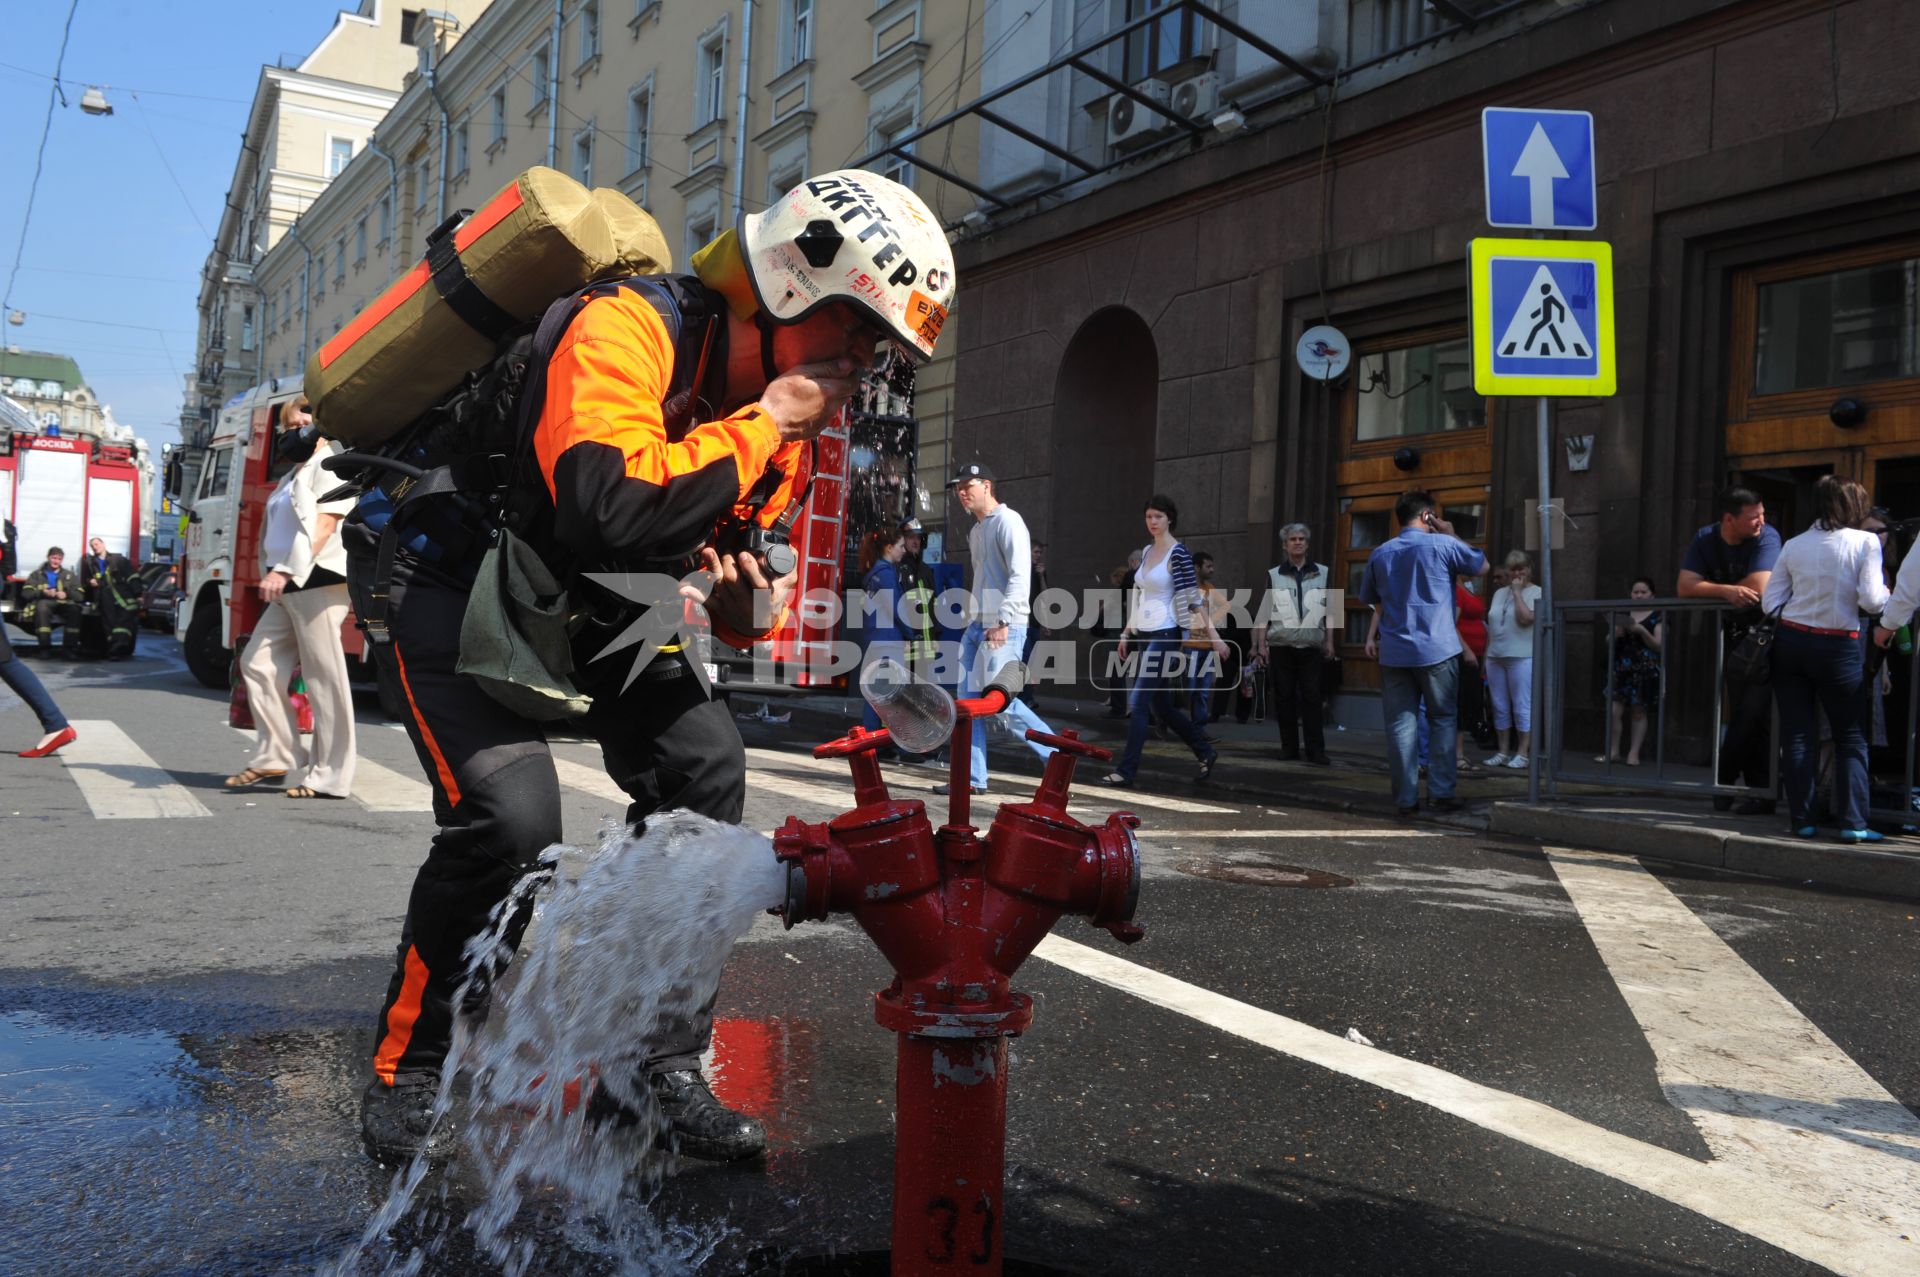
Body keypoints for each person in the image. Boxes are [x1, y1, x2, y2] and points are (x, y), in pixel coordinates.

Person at [347, 170, 957, 1164]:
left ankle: (650, 1065)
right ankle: (407, 1070)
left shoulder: (789, 416)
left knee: (704, 769)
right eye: (854, 333)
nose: (860, 365)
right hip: (449, 574)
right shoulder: (628, 327)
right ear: (791, 281)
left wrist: (743, 605)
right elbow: (607, 501)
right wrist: (767, 421)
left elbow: (740, 567)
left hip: (595, 590)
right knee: (509, 821)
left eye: (875, 352)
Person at [227, 398, 358, 800]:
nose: (297, 423)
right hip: (289, 583)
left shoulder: (331, 463)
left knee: (325, 680)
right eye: (290, 420)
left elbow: (324, 523)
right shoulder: (293, 474)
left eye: (305, 415)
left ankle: (331, 775)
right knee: (258, 662)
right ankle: (276, 753)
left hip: (318, 578)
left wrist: (285, 568)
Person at [1765, 476, 1887, 841]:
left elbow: (1770, 602)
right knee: (1850, 736)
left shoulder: (1793, 544)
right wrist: (1888, 595)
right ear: (1853, 505)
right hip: (1838, 645)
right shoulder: (1865, 542)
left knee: (1798, 735)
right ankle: (1854, 824)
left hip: (1791, 642)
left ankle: (1802, 820)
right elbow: (1872, 601)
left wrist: (1799, 614)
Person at [1359, 492, 1487, 814]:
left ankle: (1406, 799)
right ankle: (1442, 792)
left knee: (1401, 725)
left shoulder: (1380, 553)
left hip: (1396, 651)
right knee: (1443, 719)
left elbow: (1371, 597)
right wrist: (1449, 531)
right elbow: (1481, 565)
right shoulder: (1444, 545)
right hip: (1437, 649)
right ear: (1428, 515)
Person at [950, 461, 1057, 794]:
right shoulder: (977, 530)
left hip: (1004, 626)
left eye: (968, 485)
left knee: (1001, 703)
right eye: (958, 488)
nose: (961, 492)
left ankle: (1056, 755)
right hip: (977, 626)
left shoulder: (1009, 522)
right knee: (966, 705)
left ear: (987, 486)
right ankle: (973, 779)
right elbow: (984, 579)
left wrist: (1003, 621)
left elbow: (1019, 576)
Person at [1102, 494, 1223, 788]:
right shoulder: (1146, 551)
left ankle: (1126, 770)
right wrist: (1126, 632)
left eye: (1158, 516)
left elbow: (1193, 599)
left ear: (1170, 519)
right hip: (1144, 633)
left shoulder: (1178, 554)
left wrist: (1215, 638)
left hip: (1166, 635)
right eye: (1148, 517)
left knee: (1139, 702)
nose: (1153, 522)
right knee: (1163, 707)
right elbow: (1142, 596)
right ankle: (1204, 750)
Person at [1678, 487, 1782, 814]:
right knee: (1748, 713)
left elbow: (1757, 588)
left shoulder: (1768, 538)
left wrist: (1716, 590)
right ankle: (1759, 792)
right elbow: (1684, 586)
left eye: (1762, 514)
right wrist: (1726, 591)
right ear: (1728, 519)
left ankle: (1727, 779)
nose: (1761, 522)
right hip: (1737, 639)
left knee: (1754, 713)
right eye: (1753, 517)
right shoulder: (1706, 538)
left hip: (1766, 639)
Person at [1255, 523, 1334, 765]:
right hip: (1281, 645)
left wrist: (1330, 641)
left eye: (1302, 539)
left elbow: (1331, 610)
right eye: (1293, 539)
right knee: (1284, 699)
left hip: (1311, 646)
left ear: (1307, 544)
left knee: (1312, 698)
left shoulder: (1323, 572)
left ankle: (1316, 751)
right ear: (1285, 545)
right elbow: (1264, 613)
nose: (1298, 542)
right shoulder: (1274, 574)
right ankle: (1288, 748)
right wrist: (1260, 646)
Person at [1, 522, 75, 756]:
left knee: (6, 661)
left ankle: (55, 724)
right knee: (5, 661)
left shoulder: (67, 574)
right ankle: (55, 724)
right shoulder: (40, 573)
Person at [1482, 551, 1540, 770]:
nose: (1516, 573)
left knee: (1522, 706)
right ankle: (1503, 751)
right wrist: (1486, 658)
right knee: (1499, 705)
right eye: (1512, 569)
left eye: (1520, 568)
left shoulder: (1537, 592)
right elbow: (1493, 627)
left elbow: (1525, 619)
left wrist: (1517, 593)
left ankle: (1523, 752)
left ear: (1528, 569)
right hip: (1496, 656)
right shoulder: (1499, 594)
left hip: (1522, 656)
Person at [1599, 577, 1664, 766]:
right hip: (1621, 667)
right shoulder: (1624, 612)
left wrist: (1642, 631)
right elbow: (1608, 641)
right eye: (1636, 592)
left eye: (1643, 592)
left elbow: (1659, 646)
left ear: (1652, 595)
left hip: (1645, 668)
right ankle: (1613, 751)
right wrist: (1615, 634)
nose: (1639, 595)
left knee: (1638, 711)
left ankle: (1633, 753)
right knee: (1613, 710)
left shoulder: (1658, 615)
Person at [856, 526, 908, 757]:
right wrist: (911, 633)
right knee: (888, 695)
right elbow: (896, 608)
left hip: (875, 640)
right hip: (889, 642)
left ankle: (871, 742)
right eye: (901, 546)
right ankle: (874, 744)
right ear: (889, 548)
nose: (904, 551)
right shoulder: (886, 574)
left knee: (877, 694)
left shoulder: (872, 574)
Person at [1184, 550, 1229, 732]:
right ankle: (1173, 722)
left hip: (1207, 646)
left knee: (1202, 691)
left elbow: (1226, 605)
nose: (1212, 569)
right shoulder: (1186, 589)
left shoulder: (1209, 588)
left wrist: (1211, 618)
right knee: (1190, 689)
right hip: (1189, 646)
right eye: (1208, 566)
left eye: (1212, 566)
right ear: (1197, 568)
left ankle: (1198, 729)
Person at [1453, 569, 1489, 773]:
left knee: (1470, 703)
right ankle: (1457, 755)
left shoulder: (1468, 589)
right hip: (1464, 656)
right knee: (1460, 702)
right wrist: (1466, 651)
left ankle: (1459, 753)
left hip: (1475, 655)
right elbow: (1452, 623)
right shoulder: (1457, 591)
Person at [81, 536, 139, 659]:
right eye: (92, 546)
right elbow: (87, 581)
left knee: (122, 622)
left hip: (123, 596)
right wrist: (90, 582)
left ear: (103, 544)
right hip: (103, 597)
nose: (95, 547)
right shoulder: (92, 563)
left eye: (97, 544)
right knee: (109, 624)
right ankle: (114, 649)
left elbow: (132, 576)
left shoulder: (118, 560)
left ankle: (117, 648)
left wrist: (138, 593)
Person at [19, 547, 81, 657]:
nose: (56, 561)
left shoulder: (69, 575)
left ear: (62, 560)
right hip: (45, 601)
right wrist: (43, 592)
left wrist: (67, 594)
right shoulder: (37, 575)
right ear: (48, 558)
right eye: (53, 558)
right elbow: (26, 594)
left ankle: (69, 649)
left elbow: (80, 595)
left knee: (74, 610)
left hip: (64, 603)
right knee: (42, 607)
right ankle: (45, 648)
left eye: (59, 559)